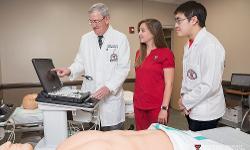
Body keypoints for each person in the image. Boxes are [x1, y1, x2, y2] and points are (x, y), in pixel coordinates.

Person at [53, 3, 130, 131]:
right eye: (91, 21)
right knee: (92, 139)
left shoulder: (120, 38)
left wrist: (109, 87)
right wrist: (69, 70)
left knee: (113, 141)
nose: (93, 25)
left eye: (96, 21)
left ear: (107, 19)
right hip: (90, 97)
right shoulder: (86, 39)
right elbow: (81, 62)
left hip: (111, 102)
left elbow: (123, 68)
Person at [175, 1, 226, 131]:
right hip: (192, 108)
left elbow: (210, 85)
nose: (176, 25)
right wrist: (184, 100)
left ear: (193, 20)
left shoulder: (210, 45)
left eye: (179, 20)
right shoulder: (189, 44)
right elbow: (189, 77)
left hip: (206, 112)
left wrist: (186, 101)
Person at [133, 19, 175, 130]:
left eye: (143, 30)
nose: (139, 33)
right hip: (139, 105)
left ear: (153, 32)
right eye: (139, 30)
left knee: (156, 140)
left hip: (157, 107)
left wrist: (164, 108)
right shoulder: (139, 53)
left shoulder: (166, 53)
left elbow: (169, 83)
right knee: (141, 139)